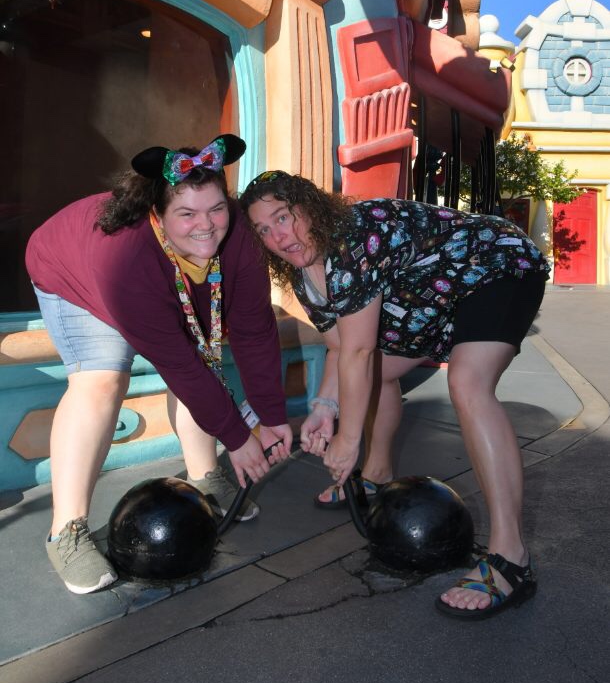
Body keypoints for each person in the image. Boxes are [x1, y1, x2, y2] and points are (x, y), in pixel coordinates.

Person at [241, 171, 548, 620]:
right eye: (263, 229)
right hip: (436, 294)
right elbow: (341, 350)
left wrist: (347, 440)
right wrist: (325, 408)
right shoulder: (306, 274)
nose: (277, 236)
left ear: (311, 207)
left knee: (467, 383)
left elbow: (359, 351)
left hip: (495, 266)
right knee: (376, 374)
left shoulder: (352, 238)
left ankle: (510, 557)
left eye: (283, 217)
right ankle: (377, 476)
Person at [26, 136, 292, 595]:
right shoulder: (126, 257)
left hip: (165, 277)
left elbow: (254, 330)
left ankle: (205, 477)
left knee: (203, 353)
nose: (206, 226)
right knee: (101, 380)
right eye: (186, 213)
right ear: (158, 213)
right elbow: (178, 365)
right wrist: (237, 438)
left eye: (216, 209)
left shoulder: (240, 238)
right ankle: (65, 531)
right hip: (73, 272)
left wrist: (270, 416)